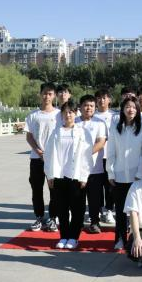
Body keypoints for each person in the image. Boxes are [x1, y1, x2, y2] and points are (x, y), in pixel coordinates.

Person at [44, 100, 98, 249]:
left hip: (76, 175)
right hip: (59, 175)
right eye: (65, 112)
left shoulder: (82, 132)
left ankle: (74, 237)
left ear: (76, 113)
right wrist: (49, 175)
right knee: (62, 208)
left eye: (71, 112)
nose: (68, 115)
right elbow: (48, 155)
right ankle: (63, 236)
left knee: (77, 208)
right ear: (61, 114)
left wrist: (84, 176)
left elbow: (87, 156)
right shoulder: (56, 132)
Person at [106, 96, 142, 250]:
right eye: (127, 107)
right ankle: (120, 238)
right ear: (123, 110)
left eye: (133, 107)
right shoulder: (116, 129)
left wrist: (140, 173)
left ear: (138, 110)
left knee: (137, 211)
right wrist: (111, 173)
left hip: (137, 177)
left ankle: (137, 239)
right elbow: (111, 152)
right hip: (119, 175)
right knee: (120, 210)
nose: (130, 110)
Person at [24, 82, 60, 232]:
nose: (47, 96)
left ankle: (53, 218)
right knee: (36, 189)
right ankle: (39, 217)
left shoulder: (59, 114)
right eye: (44, 93)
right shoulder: (33, 115)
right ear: (40, 94)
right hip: (36, 158)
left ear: (54, 96)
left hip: (54, 159)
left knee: (54, 190)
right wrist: (39, 151)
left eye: (50, 93)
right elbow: (29, 136)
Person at [74, 95, 108, 234]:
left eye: (92, 106)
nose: (89, 108)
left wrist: (86, 154)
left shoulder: (99, 123)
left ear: (95, 107)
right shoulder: (74, 122)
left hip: (95, 168)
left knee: (94, 198)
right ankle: (77, 222)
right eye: (86, 105)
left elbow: (101, 142)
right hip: (76, 168)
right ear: (80, 107)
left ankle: (95, 222)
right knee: (78, 197)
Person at [94, 88, 117, 225]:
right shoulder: (92, 115)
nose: (102, 100)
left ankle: (109, 210)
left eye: (104, 97)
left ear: (109, 100)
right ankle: (98, 210)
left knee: (110, 186)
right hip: (95, 157)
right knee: (96, 186)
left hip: (110, 155)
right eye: (99, 98)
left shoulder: (115, 116)